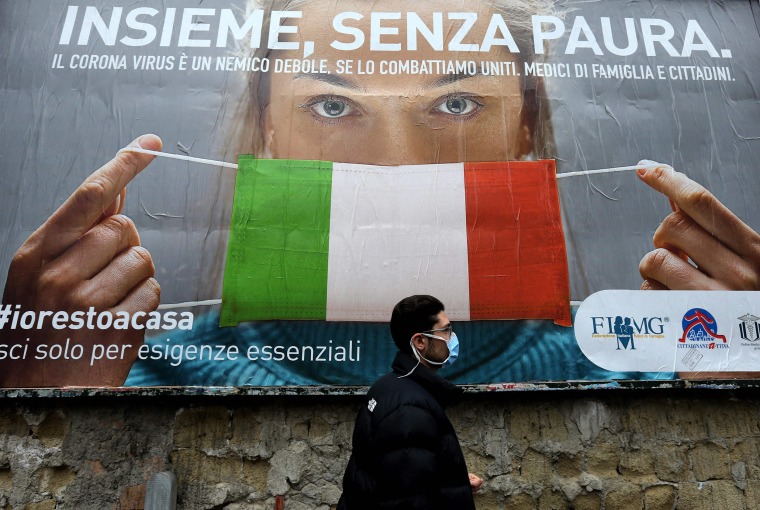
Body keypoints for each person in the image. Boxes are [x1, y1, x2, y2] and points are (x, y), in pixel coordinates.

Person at [1, 0, 759, 387]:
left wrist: (741, 394)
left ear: (527, 127)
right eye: (333, 106)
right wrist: (40, 401)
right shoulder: (129, 376)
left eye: (456, 104)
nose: (397, 165)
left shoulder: (657, 377)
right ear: (268, 130)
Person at [337, 295, 482, 510]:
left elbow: (400, 476)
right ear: (420, 342)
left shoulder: (390, 386)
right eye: (446, 330)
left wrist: (453, 481)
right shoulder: (409, 409)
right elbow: (408, 501)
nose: (452, 338)